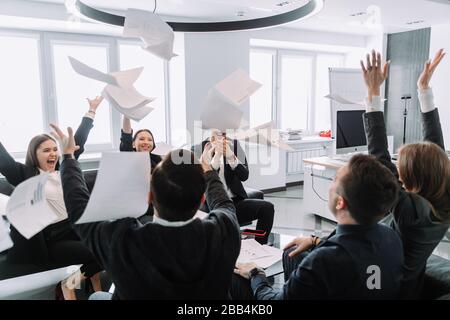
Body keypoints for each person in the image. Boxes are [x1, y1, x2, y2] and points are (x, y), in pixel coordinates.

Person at [52, 124, 241, 300]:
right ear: (202, 199)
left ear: (149, 196)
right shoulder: (225, 229)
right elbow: (223, 203)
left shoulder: (122, 239)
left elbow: (79, 209)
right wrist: (207, 169)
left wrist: (67, 158)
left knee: (96, 297)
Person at [234, 154, 403, 300]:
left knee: (236, 280)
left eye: (334, 179)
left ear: (340, 202)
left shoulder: (322, 261)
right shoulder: (391, 236)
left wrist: (257, 275)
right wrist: (314, 241)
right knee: (291, 253)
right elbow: (357, 258)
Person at [360, 49, 450, 298]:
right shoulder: (441, 200)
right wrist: (424, 89)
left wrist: (374, 93)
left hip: (383, 288)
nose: (396, 171)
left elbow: (379, 158)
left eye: (400, 168)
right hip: (408, 284)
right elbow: (436, 149)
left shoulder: (412, 214)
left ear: (412, 177)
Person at [0, 96, 105, 300]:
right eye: (46, 150)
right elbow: (3, 161)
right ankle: (69, 285)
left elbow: (77, 143)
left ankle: (72, 283)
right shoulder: (25, 174)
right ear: (34, 154)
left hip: (75, 226)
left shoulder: (65, 168)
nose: (53, 154)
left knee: (110, 244)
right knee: (99, 252)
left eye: (55, 149)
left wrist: (91, 111)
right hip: (53, 238)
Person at [193, 130, 274, 244]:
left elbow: (244, 175)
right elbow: (201, 179)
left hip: (234, 203)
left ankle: (259, 245)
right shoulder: (197, 148)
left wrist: (231, 156)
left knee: (267, 208)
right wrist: (216, 158)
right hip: (212, 204)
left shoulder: (234, 145)